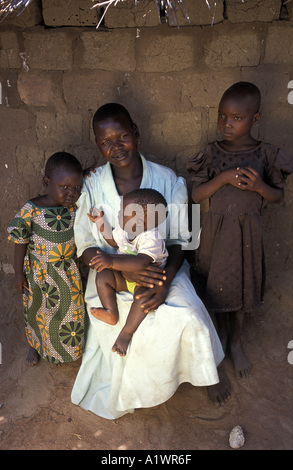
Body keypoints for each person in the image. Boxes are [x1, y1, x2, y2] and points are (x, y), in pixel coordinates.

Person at [71, 102, 226, 420]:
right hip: (111, 271)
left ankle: (206, 372)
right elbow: (86, 246)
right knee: (126, 332)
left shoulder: (169, 179)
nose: (115, 146)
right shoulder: (92, 184)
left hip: (162, 267)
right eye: (105, 141)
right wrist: (108, 260)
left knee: (191, 314)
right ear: (98, 146)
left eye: (122, 136)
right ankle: (139, 386)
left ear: (136, 133)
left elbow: (184, 242)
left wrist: (165, 279)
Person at [187, 81, 293, 379]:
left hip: (248, 235)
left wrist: (259, 186)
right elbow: (197, 195)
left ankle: (235, 343)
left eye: (237, 118)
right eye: (222, 116)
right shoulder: (212, 153)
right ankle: (221, 338)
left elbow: (278, 196)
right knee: (217, 289)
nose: (227, 123)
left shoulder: (266, 155)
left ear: (255, 119)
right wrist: (222, 179)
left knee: (242, 289)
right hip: (217, 236)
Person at [7, 152, 86, 366]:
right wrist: (18, 272)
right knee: (37, 313)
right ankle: (35, 346)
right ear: (46, 182)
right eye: (65, 187)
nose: (72, 193)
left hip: (67, 273)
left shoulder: (75, 208)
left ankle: (67, 351)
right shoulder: (32, 209)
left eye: (77, 188)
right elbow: (19, 240)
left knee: (70, 314)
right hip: (38, 274)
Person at [87, 188, 169, 357]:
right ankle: (111, 312)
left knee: (143, 298)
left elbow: (141, 262)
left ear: (138, 223)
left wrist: (111, 261)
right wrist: (100, 221)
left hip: (145, 281)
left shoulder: (151, 238)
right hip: (125, 277)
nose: (118, 213)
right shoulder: (125, 229)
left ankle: (126, 333)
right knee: (103, 275)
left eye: (122, 212)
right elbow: (113, 240)